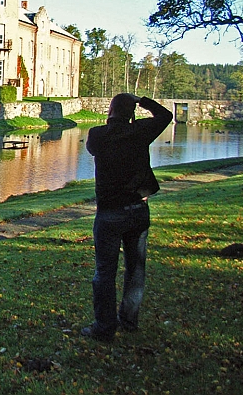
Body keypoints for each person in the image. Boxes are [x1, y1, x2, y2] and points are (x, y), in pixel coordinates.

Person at [83, 93, 173, 342]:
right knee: (135, 269)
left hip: (110, 213)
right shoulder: (140, 131)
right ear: (132, 113)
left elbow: (93, 149)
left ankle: (104, 327)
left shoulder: (97, 135)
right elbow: (166, 115)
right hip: (137, 210)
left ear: (109, 111)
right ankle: (129, 320)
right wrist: (142, 101)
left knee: (104, 272)